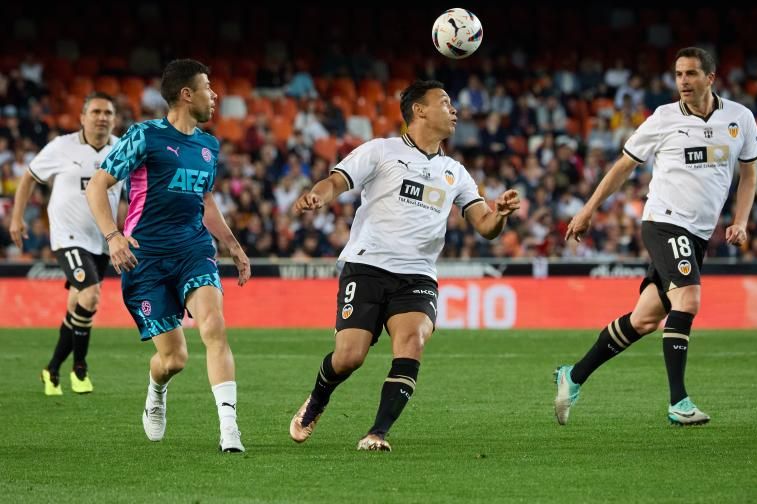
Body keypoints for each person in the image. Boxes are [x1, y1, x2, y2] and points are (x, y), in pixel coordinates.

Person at [289, 80, 521, 451]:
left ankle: (377, 433)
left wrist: (501, 214)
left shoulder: (456, 172)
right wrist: (318, 195)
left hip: (417, 275)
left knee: (412, 342)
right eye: (445, 102)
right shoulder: (382, 151)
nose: (454, 110)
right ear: (419, 110)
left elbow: (485, 226)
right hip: (367, 265)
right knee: (349, 357)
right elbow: (336, 181)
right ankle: (318, 399)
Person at [557, 47, 757, 426]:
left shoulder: (740, 118)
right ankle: (678, 402)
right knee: (688, 298)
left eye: (691, 74)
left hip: (699, 233)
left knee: (646, 319)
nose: (683, 81)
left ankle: (573, 375)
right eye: (678, 74)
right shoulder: (663, 119)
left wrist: (742, 220)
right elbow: (624, 167)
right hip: (665, 221)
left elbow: (748, 173)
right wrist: (588, 210)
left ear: (710, 78)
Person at [85, 59, 251, 452]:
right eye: (208, 88)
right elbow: (97, 184)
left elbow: (204, 199)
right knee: (174, 359)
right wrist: (113, 235)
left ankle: (230, 429)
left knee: (214, 326)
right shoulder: (145, 136)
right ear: (186, 94)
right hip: (147, 259)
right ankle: (156, 392)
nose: (215, 96)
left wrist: (232, 244)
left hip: (194, 249)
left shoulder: (209, 145)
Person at [10, 92, 122, 396]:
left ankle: (52, 369)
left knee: (78, 306)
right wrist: (17, 217)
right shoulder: (62, 147)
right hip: (68, 237)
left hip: (102, 241)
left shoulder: (122, 150)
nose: (102, 117)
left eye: (108, 113)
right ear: (82, 117)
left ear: (115, 119)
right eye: (96, 112)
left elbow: (136, 191)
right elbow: (29, 177)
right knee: (91, 295)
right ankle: (80, 369)